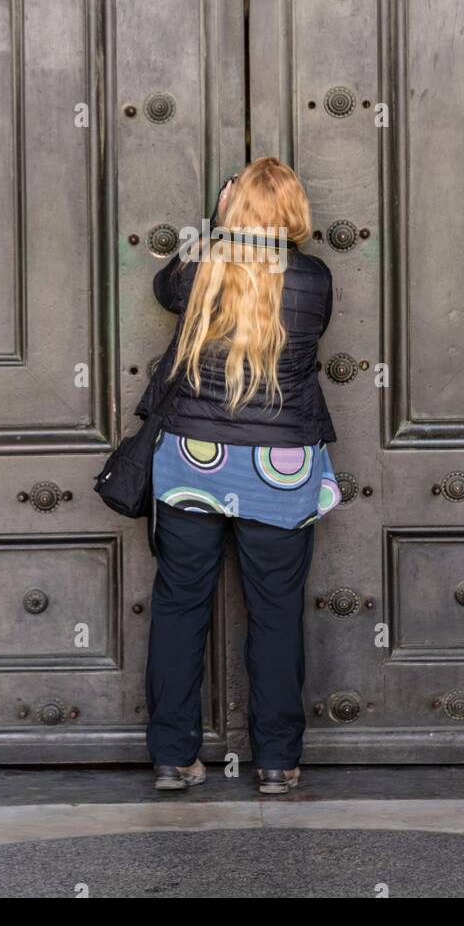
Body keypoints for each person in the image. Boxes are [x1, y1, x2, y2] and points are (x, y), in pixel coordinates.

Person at [134, 157, 340, 795]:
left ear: (232, 205)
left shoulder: (198, 269)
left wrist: (218, 223)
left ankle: (174, 756)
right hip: (279, 465)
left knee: (179, 603)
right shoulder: (315, 279)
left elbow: (164, 290)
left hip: (194, 457)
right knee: (276, 611)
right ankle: (277, 762)